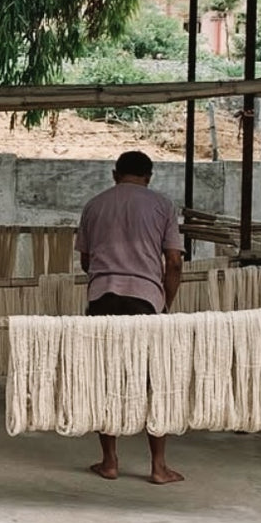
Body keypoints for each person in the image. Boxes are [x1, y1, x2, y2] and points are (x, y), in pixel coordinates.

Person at [75, 150, 185, 485]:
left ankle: (109, 462)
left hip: (102, 297)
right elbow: (175, 262)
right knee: (154, 381)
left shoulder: (94, 205)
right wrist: (164, 302)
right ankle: (158, 466)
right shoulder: (162, 205)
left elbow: (85, 261)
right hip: (146, 300)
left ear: (114, 174)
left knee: (106, 378)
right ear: (149, 176)